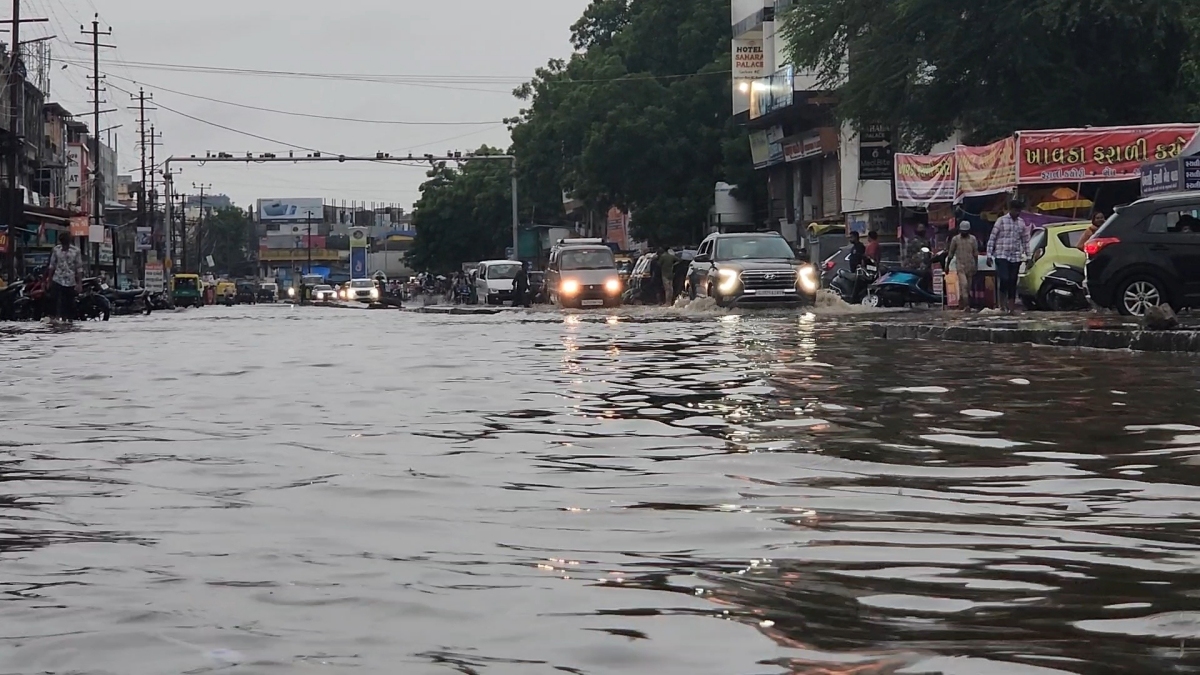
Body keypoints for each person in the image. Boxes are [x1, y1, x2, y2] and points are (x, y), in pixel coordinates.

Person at [987, 199, 1031, 314]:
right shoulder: (1001, 221)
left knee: (1012, 281)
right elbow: (992, 237)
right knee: (1005, 279)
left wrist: (1028, 256)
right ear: (1010, 209)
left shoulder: (1021, 223)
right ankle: (1002, 304)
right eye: (1015, 210)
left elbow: (1025, 241)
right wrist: (989, 254)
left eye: (1019, 211)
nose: (1017, 213)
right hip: (1001, 255)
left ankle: (1011, 307)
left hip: (1015, 256)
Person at [47, 233, 83, 322]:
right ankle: (54, 319)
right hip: (57, 279)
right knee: (54, 301)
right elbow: (52, 266)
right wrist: (49, 280)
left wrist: (79, 284)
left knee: (69, 303)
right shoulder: (56, 250)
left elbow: (79, 268)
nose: (64, 245)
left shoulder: (76, 251)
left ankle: (68, 320)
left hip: (70, 281)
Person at [945, 223, 979, 311]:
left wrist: (976, 265)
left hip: (970, 265)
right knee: (964, 284)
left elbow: (975, 253)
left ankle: (961, 303)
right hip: (960, 265)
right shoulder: (955, 239)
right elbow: (951, 253)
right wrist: (947, 266)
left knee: (968, 287)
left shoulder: (973, 239)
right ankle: (967, 306)